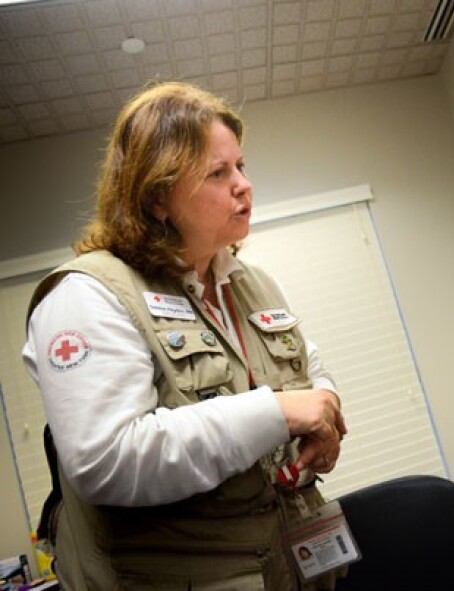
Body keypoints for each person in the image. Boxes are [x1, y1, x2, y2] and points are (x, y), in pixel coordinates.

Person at [21, 81, 348, 590]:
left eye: (240, 166)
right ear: (156, 199)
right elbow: (107, 460)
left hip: (290, 562)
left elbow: (309, 369)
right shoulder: (88, 295)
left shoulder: (252, 282)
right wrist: (280, 412)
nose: (243, 184)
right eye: (218, 173)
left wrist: (324, 408)